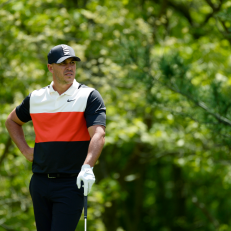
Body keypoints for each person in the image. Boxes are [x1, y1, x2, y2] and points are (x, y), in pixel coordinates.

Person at [5, 44, 106, 231]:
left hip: (71, 182)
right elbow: (12, 121)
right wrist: (26, 151)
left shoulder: (89, 96)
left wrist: (88, 166)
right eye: (63, 63)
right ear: (50, 67)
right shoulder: (36, 98)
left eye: (72, 63)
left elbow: (98, 134)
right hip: (40, 182)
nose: (70, 67)